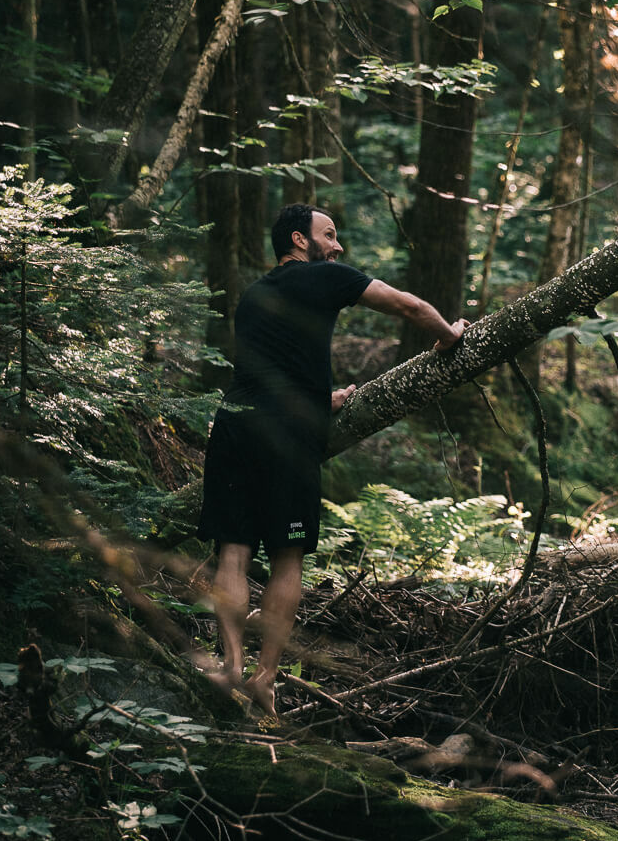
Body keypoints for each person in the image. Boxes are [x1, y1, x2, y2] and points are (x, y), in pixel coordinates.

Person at [197, 203, 465, 714]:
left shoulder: (254, 295)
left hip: (234, 423)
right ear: (300, 241)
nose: (337, 246)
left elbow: (274, 368)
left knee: (232, 552)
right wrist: (450, 335)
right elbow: (406, 305)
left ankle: (229, 666)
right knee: (287, 554)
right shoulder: (326, 278)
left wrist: (324, 397)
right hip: (286, 435)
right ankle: (264, 679)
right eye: (330, 235)